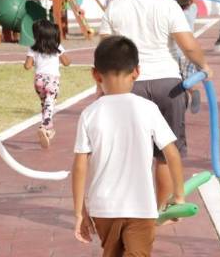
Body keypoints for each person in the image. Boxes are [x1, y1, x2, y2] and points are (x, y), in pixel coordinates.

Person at [99, 0, 212, 208]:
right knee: (165, 152)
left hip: (129, 86)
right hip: (168, 86)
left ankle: (131, 207)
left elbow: (105, 51)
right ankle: (160, 209)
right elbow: (188, 45)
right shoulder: (169, 7)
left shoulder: (115, 8)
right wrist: (205, 66)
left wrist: (103, 87)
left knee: (131, 153)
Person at [72, 36, 185, 256]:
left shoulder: (89, 114)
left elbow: (79, 167)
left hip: (103, 208)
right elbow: (172, 154)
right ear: (137, 71)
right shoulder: (148, 108)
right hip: (140, 207)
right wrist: (178, 196)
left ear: (95, 74)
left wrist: (79, 213)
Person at [24, 19, 72, 148]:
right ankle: (44, 127)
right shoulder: (57, 47)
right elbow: (67, 62)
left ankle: (49, 130)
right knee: (50, 105)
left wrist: (35, 60)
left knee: (45, 105)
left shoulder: (33, 48)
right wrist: (61, 54)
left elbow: (27, 66)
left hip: (38, 80)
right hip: (52, 80)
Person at [171, 0, 201, 113]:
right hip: (190, 52)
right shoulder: (192, 11)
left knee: (178, 82)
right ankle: (193, 91)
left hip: (177, 53)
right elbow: (194, 1)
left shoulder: (173, 14)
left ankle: (190, 95)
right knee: (187, 78)